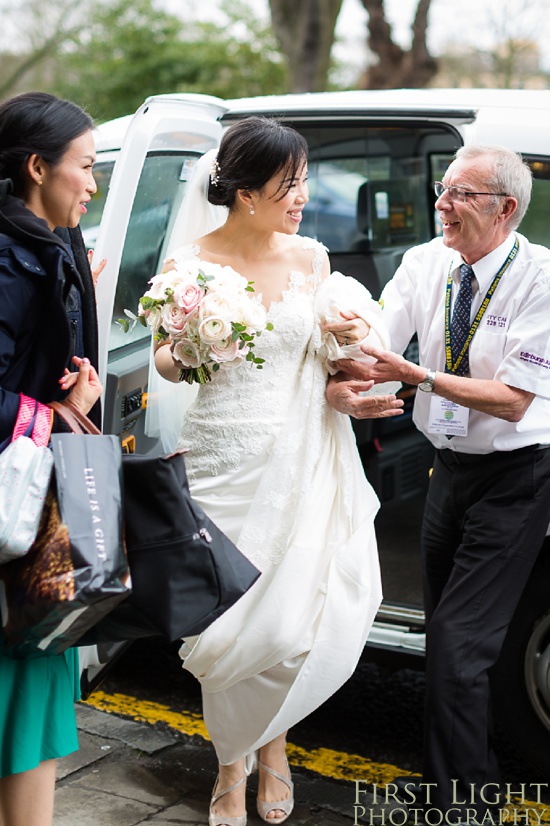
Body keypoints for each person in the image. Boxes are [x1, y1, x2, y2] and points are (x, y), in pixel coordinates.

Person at [151, 116, 400, 826]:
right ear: (247, 191)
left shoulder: (312, 261)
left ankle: (275, 748)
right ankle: (231, 765)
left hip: (301, 452)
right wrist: (195, 346)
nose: (303, 195)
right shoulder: (189, 265)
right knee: (227, 620)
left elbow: (321, 361)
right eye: (291, 183)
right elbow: (168, 361)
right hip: (222, 454)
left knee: (293, 619)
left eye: (304, 180)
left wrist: (347, 354)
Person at [326, 144, 550, 823]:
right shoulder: (425, 263)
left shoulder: (540, 277)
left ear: (506, 209)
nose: (441, 205)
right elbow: (375, 343)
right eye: (441, 190)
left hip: (519, 475)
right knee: (445, 644)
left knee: (459, 647)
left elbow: (514, 400)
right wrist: (345, 377)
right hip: (446, 471)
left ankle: (463, 807)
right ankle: (448, 785)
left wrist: (417, 376)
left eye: (460, 195)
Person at [0, 91, 102, 826]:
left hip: (32, 514)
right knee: (25, 706)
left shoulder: (46, 245)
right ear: (38, 167)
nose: (92, 184)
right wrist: (62, 415)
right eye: (86, 168)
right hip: (17, 527)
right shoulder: (10, 261)